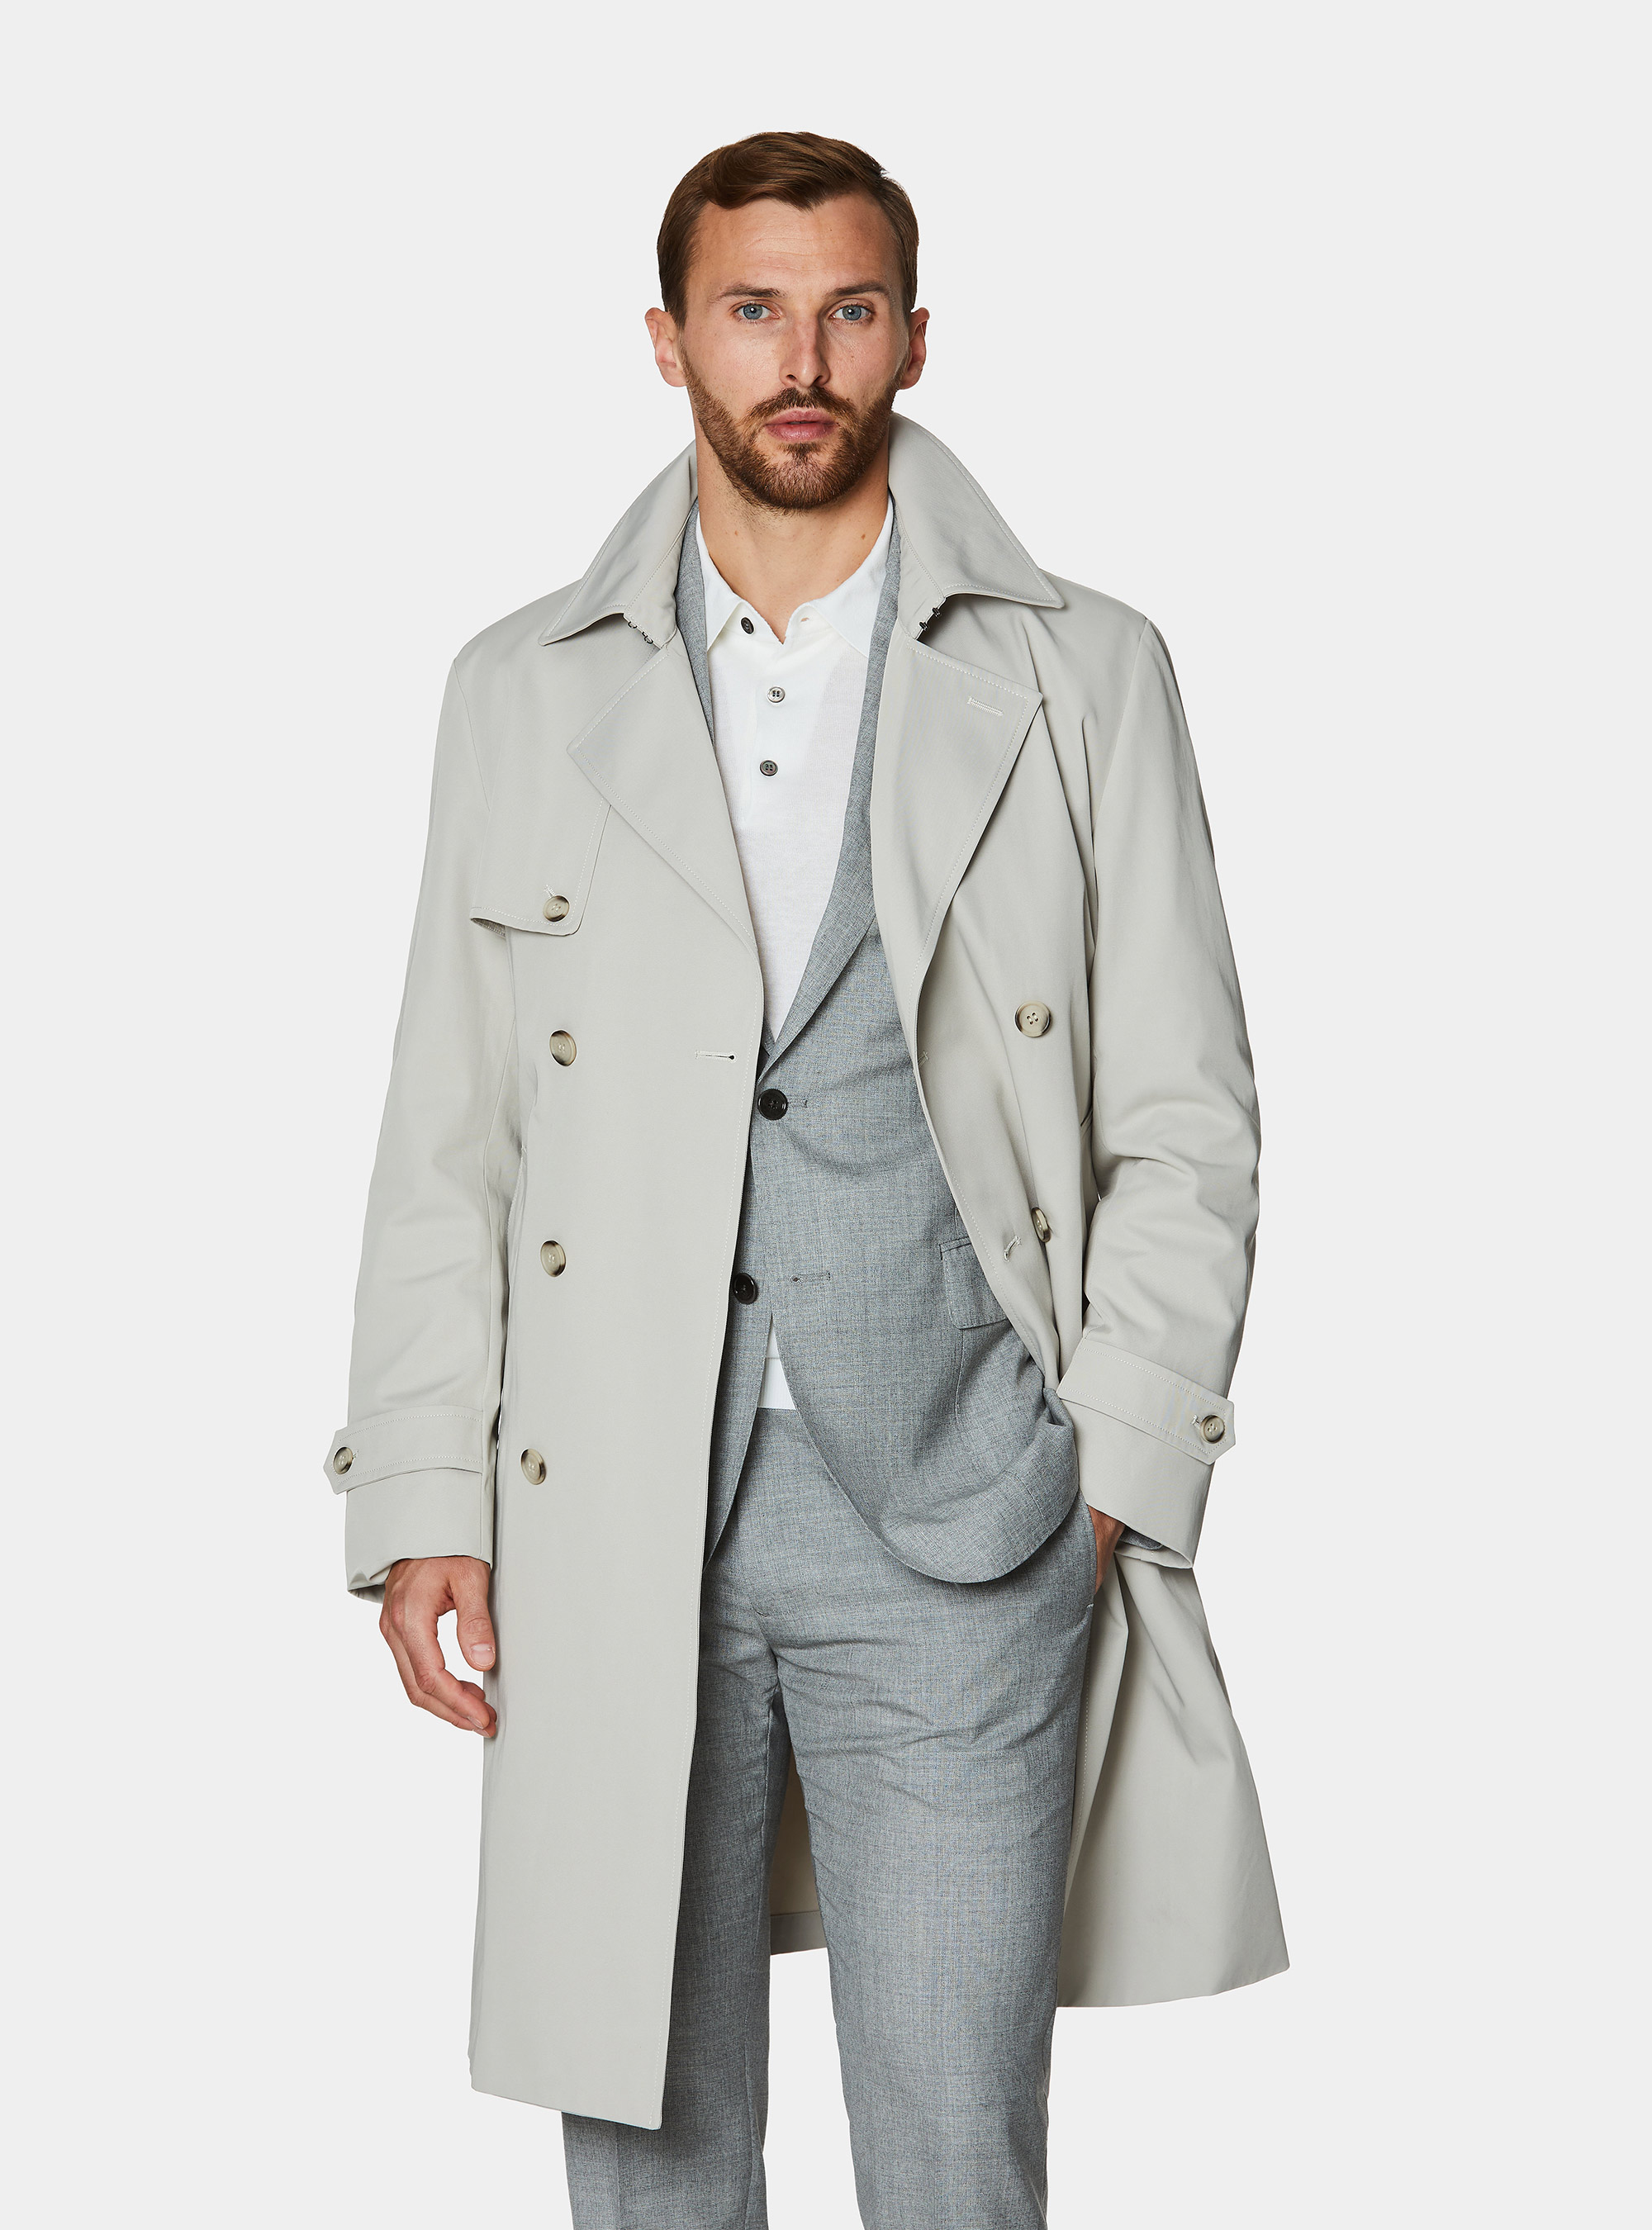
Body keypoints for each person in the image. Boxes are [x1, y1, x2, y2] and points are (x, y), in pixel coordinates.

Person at [326, 130, 1286, 2230]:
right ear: (666, 339)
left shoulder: (1081, 669)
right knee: (650, 2155)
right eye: (752, 310)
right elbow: (450, 1132)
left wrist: (1111, 1466)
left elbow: (1185, 1112)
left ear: (914, 338)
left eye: (848, 310)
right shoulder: (520, 689)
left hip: (967, 1512)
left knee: (954, 2154)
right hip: (610, 1512)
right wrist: (420, 1499)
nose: (802, 360)